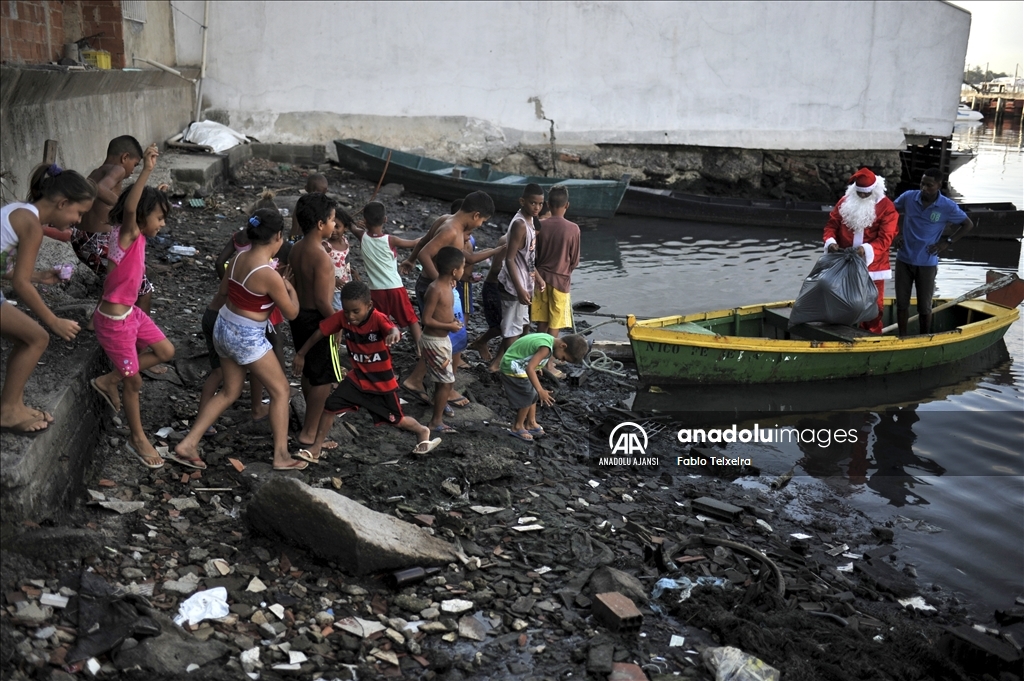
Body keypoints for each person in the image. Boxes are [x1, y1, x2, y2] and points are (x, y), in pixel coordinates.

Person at [174, 209, 306, 470]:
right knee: (281, 390)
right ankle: (281, 456)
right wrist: (290, 288)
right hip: (247, 336)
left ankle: (188, 443)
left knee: (230, 391)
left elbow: (224, 290)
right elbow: (292, 313)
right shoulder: (269, 274)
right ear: (278, 236)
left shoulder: (237, 258)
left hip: (223, 326)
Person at [89, 145, 176, 469]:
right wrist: (147, 171)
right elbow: (130, 208)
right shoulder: (127, 233)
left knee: (166, 351)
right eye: (159, 218)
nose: (162, 224)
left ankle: (109, 379)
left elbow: (136, 207)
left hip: (130, 314)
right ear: (140, 216)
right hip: (114, 323)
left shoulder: (136, 236)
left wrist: (157, 193)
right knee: (135, 382)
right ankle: (137, 438)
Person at [292, 281, 441, 458]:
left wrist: (393, 334)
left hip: (381, 383)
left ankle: (422, 431)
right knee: (330, 406)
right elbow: (321, 332)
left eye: (356, 311)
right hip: (357, 378)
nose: (351, 316)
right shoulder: (342, 318)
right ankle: (316, 448)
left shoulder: (378, 318)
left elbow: (392, 328)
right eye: (347, 311)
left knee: (396, 420)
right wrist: (301, 353)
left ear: (369, 305)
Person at [1, 165, 95, 435]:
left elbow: (9, 269)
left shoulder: (18, 210)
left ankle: (15, 405)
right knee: (38, 338)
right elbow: (20, 284)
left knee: (26, 339)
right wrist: (53, 320)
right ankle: (8, 412)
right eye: (79, 212)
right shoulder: (32, 226)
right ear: (62, 203)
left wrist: (39, 276)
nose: (78, 220)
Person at [399, 192, 499, 407]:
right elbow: (426, 253)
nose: (480, 225)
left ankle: (431, 381)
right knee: (447, 336)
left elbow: (424, 242)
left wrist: (410, 259)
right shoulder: (451, 229)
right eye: (483, 221)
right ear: (476, 215)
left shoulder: (446, 219)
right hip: (435, 287)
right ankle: (430, 383)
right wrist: (440, 283)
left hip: (436, 286)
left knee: (451, 335)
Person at [289, 192, 341, 449]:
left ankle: (310, 420)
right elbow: (322, 301)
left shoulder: (297, 248)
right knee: (324, 377)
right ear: (320, 224)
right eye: (332, 220)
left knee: (310, 371)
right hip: (319, 320)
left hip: (299, 316)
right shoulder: (321, 257)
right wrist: (338, 323)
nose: (334, 225)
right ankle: (310, 433)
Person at [893, 168, 973, 336]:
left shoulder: (947, 206)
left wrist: (946, 243)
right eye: (922, 184)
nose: (924, 188)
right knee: (901, 304)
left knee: (924, 306)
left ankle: (924, 337)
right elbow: (890, 212)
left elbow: (967, 224)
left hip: (927, 262)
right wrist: (896, 233)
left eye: (929, 185)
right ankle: (902, 337)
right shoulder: (908, 197)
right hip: (904, 260)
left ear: (939, 185)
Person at [823, 167, 898, 334]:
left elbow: (886, 237)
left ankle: (871, 334)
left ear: (874, 190)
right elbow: (831, 225)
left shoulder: (886, 207)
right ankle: (841, 334)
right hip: (845, 260)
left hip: (873, 265)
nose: (863, 196)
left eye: (866, 193)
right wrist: (831, 242)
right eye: (859, 193)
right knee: (842, 300)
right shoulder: (844, 201)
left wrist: (866, 249)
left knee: (873, 305)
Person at [349, 201, 423, 345]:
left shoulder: (362, 236)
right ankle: (421, 350)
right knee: (411, 319)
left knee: (379, 320)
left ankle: (381, 347)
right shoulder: (391, 240)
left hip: (376, 290)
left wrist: (356, 223)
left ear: (365, 221)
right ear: (385, 219)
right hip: (395, 287)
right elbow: (416, 243)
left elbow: (350, 224)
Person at [490, 184, 545, 372]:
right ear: (522, 201)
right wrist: (520, 289)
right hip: (514, 286)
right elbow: (510, 259)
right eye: (533, 203)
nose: (537, 207)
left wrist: (537, 277)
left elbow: (527, 257)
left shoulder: (531, 221)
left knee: (520, 325)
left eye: (540, 204)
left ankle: (508, 364)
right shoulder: (520, 224)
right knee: (512, 330)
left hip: (524, 282)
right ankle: (510, 369)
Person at [500, 332, 588, 442]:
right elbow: (529, 368)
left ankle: (531, 423)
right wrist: (540, 390)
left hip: (519, 363)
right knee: (529, 395)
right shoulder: (546, 348)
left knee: (532, 393)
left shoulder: (550, 340)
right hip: (512, 366)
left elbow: (531, 354)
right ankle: (517, 426)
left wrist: (538, 366)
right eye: (563, 358)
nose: (561, 361)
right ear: (563, 346)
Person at [531, 185, 580, 379]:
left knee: (542, 322)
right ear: (567, 205)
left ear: (548, 204)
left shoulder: (540, 225)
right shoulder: (573, 229)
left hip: (540, 279)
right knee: (555, 324)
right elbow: (574, 260)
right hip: (561, 281)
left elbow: (533, 256)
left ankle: (537, 360)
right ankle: (549, 364)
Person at [419, 246, 465, 434]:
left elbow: (443, 311)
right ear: (454, 271)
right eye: (463, 267)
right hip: (434, 341)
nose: (464, 271)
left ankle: (439, 403)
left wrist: (451, 322)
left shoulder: (448, 285)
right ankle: (435, 421)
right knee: (446, 382)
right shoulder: (436, 289)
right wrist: (450, 326)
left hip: (441, 339)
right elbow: (426, 319)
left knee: (443, 379)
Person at [467, 235, 507, 362]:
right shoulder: (507, 240)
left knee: (511, 325)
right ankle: (481, 342)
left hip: (506, 289)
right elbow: (496, 269)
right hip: (495, 288)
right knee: (501, 325)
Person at [324, 206, 357, 311]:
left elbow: (345, 260)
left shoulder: (345, 241)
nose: (333, 230)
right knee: (337, 309)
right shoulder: (326, 246)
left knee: (346, 307)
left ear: (345, 228)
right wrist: (333, 280)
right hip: (332, 287)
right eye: (331, 226)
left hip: (345, 283)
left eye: (337, 227)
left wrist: (352, 271)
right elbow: (321, 268)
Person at [290, 173, 329, 239]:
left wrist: (292, 240)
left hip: (298, 239)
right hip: (311, 240)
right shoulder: (323, 206)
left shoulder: (301, 203)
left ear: (306, 188)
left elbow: (295, 224)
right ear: (325, 191)